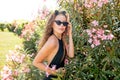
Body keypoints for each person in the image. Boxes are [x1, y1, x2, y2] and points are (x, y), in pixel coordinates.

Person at [33, 10, 74, 80]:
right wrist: (55, 72)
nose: (62, 25)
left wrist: (70, 34)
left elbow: (71, 55)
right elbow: (36, 62)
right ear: (52, 24)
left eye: (64, 23)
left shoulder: (61, 39)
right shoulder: (53, 41)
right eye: (58, 22)